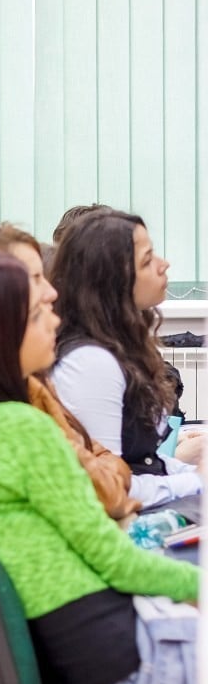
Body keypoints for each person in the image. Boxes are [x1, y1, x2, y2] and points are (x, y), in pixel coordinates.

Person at [0, 248, 199, 684]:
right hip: (118, 671)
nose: (56, 320)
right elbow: (116, 562)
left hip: (82, 664)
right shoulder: (20, 427)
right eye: (40, 313)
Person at [0, 224, 140, 520]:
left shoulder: (31, 385)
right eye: (36, 278)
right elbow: (105, 492)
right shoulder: (10, 418)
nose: (52, 292)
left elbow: (102, 460)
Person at [50, 211, 204, 505]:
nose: (164, 264)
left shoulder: (118, 345)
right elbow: (107, 490)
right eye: (148, 260)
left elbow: (146, 461)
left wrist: (190, 473)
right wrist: (194, 480)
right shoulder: (90, 362)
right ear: (113, 280)